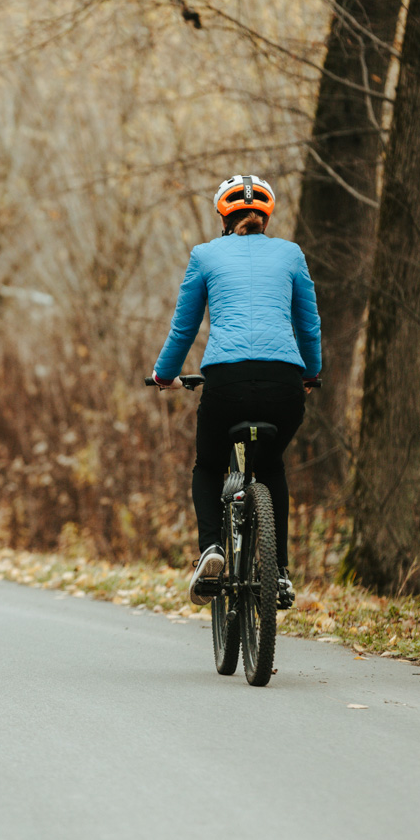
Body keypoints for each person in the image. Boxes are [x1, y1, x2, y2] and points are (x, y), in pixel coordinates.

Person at [150, 174, 322, 608]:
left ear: (224, 217)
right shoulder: (291, 253)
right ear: (266, 216)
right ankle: (279, 573)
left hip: (225, 383)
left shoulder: (205, 255)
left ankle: (211, 548)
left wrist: (163, 374)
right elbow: (309, 323)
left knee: (208, 466)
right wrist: (311, 372)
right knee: (271, 467)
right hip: (284, 383)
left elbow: (184, 327)